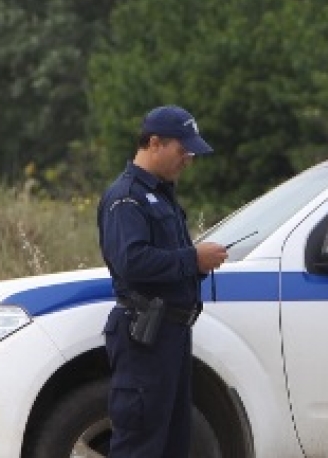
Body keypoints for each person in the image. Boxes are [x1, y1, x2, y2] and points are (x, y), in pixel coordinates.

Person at [96, 105, 228, 457]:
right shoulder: (127, 197)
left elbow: (165, 262)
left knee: (172, 442)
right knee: (140, 442)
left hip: (170, 334)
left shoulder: (162, 194)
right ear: (155, 143)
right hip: (145, 338)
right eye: (182, 150)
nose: (188, 159)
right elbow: (132, 261)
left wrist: (197, 266)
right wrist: (193, 258)